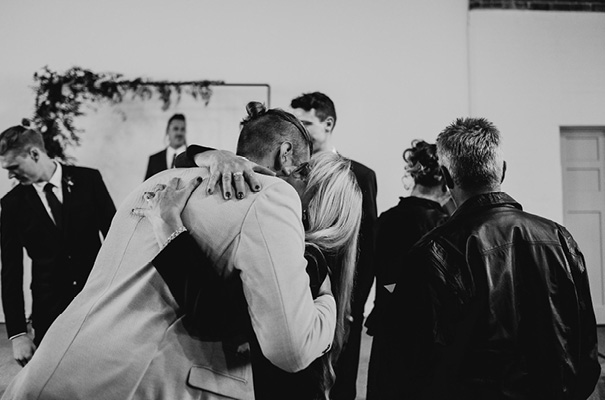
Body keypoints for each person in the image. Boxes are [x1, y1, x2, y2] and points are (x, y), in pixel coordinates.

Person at [1, 103, 336, 400]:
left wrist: (201, 154)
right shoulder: (271, 197)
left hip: (56, 363)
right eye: (304, 169)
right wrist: (327, 301)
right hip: (130, 381)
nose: (303, 182)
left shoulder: (156, 183)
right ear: (286, 153)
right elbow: (288, 349)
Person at [374, 117, 601, 399]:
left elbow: (412, 363)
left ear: (446, 177)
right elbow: (585, 345)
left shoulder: (433, 251)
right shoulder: (559, 239)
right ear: (503, 170)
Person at [146, 150, 363, 400]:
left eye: (303, 172)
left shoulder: (306, 260)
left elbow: (214, 315)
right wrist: (214, 156)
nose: (288, 171)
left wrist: (168, 225)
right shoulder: (309, 255)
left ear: (315, 203)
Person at [0, 125, 116, 367]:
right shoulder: (12, 205)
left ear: (34, 154)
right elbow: (11, 271)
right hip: (49, 313)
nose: (10, 176)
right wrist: (18, 334)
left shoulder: (89, 180)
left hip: (97, 302)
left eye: (13, 167)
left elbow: (117, 240)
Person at [291, 91, 377, 400]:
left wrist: (354, 304)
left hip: (343, 291)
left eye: (305, 123)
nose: (298, 131)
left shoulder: (360, 175)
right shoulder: (289, 173)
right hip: (299, 286)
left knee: (342, 377)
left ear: (327, 124)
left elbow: (367, 246)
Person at [365, 140, 450, 399]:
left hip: (388, 328)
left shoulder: (386, 219)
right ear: (446, 183)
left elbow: (385, 277)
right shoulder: (444, 226)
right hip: (428, 335)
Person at [144, 113, 187, 180]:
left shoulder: (193, 158)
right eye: (175, 129)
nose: (179, 133)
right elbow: (146, 185)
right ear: (168, 131)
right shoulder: (154, 160)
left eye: (182, 129)